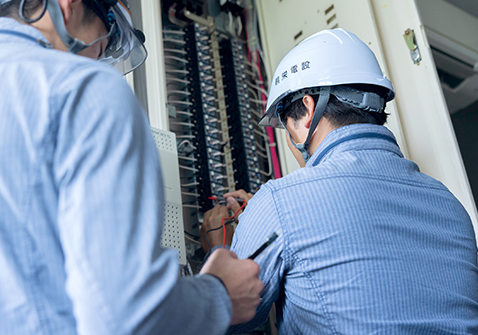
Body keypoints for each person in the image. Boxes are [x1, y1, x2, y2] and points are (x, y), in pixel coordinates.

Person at [0, 0, 263, 333]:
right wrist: (219, 293)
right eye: (102, 45)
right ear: (71, 2)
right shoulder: (85, 90)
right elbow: (126, 316)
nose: (100, 61)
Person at [201, 28, 478, 333]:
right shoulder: (450, 205)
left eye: (284, 122)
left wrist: (220, 249)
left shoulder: (280, 201)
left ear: (307, 109)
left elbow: (232, 322)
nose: (290, 139)